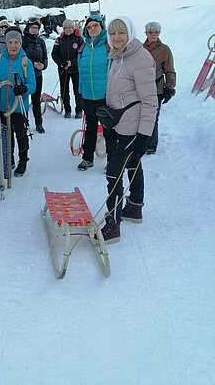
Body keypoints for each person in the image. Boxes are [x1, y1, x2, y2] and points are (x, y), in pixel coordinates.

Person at [101, 17, 157, 243]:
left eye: (121, 33)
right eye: (112, 33)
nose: (116, 38)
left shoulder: (140, 58)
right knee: (133, 163)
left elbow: (150, 100)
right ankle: (134, 206)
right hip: (121, 124)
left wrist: (144, 134)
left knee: (113, 172)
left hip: (134, 128)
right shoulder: (118, 56)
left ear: (130, 33)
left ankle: (112, 224)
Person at [0, 27, 36, 176]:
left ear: (20, 43)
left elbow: (33, 85)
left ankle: (23, 160)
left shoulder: (25, 61)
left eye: (16, 42)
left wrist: (24, 89)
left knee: (21, 135)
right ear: (6, 43)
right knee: (5, 135)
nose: (13, 46)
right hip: (1, 106)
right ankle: (9, 159)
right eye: (10, 42)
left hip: (19, 107)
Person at [77, 13, 114, 170]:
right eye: (89, 26)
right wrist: (81, 91)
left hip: (104, 96)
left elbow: (113, 71)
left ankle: (112, 160)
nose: (92, 28)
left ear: (102, 27)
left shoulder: (108, 46)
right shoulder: (84, 47)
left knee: (108, 131)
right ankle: (87, 158)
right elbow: (81, 71)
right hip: (88, 96)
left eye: (96, 26)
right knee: (90, 128)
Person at [143, 22, 176, 154]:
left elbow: (169, 70)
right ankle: (140, 141)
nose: (153, 35)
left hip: (157, 89)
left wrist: (169, 87)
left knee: (153, 117)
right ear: (146, 33)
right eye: (150, 32)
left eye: (156, 32)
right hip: (141, 88)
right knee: (140, 116)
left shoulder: (164, 49)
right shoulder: (140, 48)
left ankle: (151, 144)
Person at [51, 19, 83, 118]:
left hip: (76, 69)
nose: (68, 30)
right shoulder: (59, 39)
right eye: (66, 28)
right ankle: (67, 110)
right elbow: (54, 54)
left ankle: (79, 110)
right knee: (64, 90)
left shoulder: (79, 39)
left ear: (73, 28)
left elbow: (81, 54)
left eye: (70, 27)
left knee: (77, 90)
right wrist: (61, 63)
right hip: (63, 69)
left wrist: (72, 62)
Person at [22, 18, 48, 133]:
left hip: (37, 74)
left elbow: (45, 57)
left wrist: (43, 65)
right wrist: (32, 64)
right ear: (28, 28)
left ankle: (39, 123)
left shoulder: (40, 42)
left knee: (36, 99)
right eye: (32, 27)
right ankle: (24, 121)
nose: (34, 30)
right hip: (25, 74)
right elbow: (21, 57)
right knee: (24, 99)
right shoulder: (23, 41)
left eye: (36, 28)